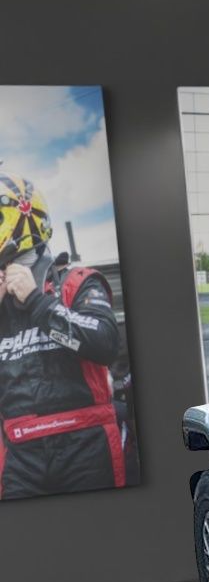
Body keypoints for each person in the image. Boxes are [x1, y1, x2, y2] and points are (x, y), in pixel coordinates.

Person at [0, 175, 127, 499]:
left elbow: (104, 346)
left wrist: (38, 302)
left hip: (86, 443)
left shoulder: (76, 282)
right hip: (20, 453)